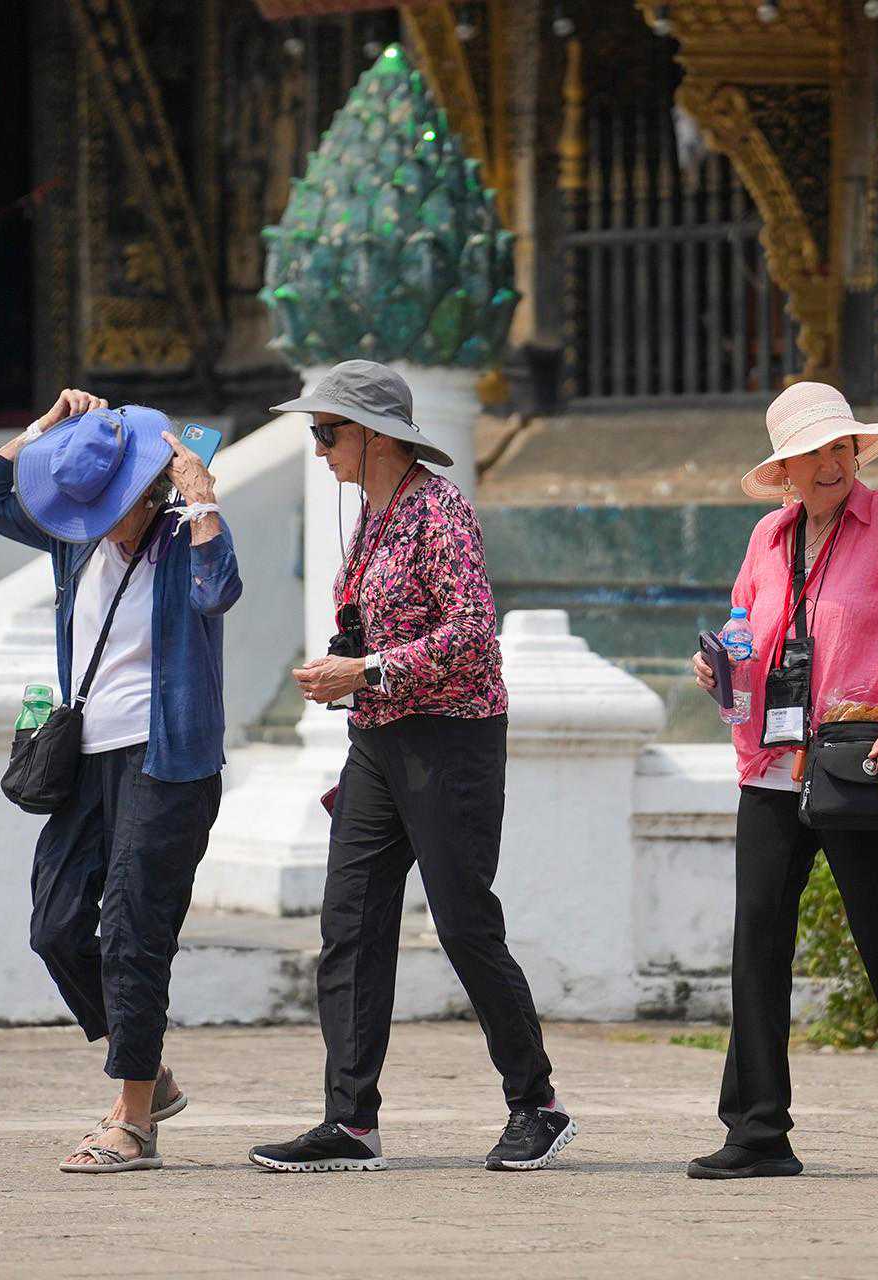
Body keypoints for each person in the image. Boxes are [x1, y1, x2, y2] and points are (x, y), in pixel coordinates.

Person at [248, 361, 568, 1174]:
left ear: (375, 436)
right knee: (350, 924)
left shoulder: (439, 510)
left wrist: (369, 669)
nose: (318, 449)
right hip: (377, 740)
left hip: (451, 739)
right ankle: (350, 1121)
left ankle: (537, 1104)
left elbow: (473, 635)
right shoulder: (373, 515)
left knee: (463, 923)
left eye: (328, 433)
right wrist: (353, 666)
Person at [685, 380, 878, 1181]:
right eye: (813, 452)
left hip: (862, 763)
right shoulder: (767, 536)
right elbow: (745, 625)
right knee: (757, 942)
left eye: (841, 447)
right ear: (784, 469)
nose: (831, 463)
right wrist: (720, 664)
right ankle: (758, 1132)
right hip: (769, 768)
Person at [0, 388, 240, 1173]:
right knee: (55, 927)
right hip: (86, 763)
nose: (99, 519)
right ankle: (149, 1070)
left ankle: (132, 1121)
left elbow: (219, 592)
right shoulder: (75, 543)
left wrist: (202, 497)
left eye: (113, 504)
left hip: (167, 762)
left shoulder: (183, 538)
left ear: (149, 490)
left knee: (136, 934)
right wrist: (42, 428)